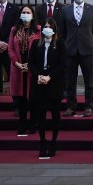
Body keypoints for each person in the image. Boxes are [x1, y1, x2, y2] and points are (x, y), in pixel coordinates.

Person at [58, 0, 93, 117]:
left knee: (89, 80)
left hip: (87, 50)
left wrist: (88, 41)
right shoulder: (65, 10)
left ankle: (89, 106)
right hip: (70, 50)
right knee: (70, 81)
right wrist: (66, 44)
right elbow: (61, 31)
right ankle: (71, 106)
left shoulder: (92, 9)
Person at [28, 18, 66, 159]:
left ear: (54, 29)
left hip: (53, 83)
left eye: (50, 26)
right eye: (45, 26)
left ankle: (53, 143)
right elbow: (31, 63)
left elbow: (62, 64)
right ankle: (43, 143)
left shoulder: (60, 43)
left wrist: (49, 76)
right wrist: (39, 76)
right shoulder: (36, 43)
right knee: (41, 116)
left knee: (55, 116)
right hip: (39, 83)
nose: (47, 28)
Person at [7, 6, 40, 136]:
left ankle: (33, 124)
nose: (25, 14)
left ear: (32, 15)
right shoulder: (14, 30)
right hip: (18, 67)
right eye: (23, 12)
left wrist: (30, 65)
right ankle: (21, 125)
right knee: (21, 99)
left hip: (32, 68)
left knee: (32, 98)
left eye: (28, 12)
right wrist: (16, 62)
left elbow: (40, 48)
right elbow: (10, 48)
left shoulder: (38, 30)